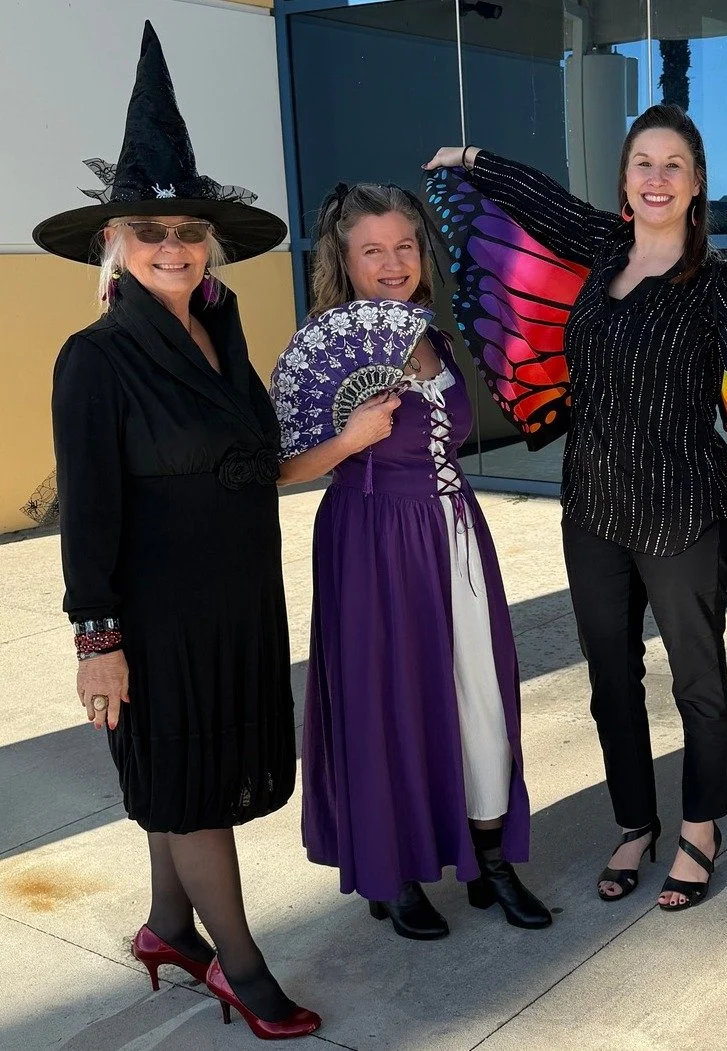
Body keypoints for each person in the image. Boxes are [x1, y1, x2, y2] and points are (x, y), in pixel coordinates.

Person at [425, 105, 727, 911]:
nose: (656, 178)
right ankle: (634, 822)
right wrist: (475, 157)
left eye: (672, 165)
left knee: (697, 678)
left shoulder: (718, 285)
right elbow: (543, 202)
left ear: (696, 185)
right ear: (625, 180)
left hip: (682, 506)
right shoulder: (602, 247)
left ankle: (699, 825)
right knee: (610, 679)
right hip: (592, 504)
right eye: (642, 163)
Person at [36, 22, 319, 1040]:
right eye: (149, 231)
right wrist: (97, 640)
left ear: (209, 241)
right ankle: (242, 968)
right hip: (154, 618)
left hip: (235, 603)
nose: (172, 246)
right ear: (116, 242)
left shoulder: (223, 333)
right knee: (189, 786)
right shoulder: (95, 358)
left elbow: (256, 463)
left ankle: (167, 926)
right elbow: (88, 512)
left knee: (180, 777)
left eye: (188, 230)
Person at [272, 184, 551, 936]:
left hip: (454, 531)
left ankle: (490, 858)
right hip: (370, 536)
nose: (393, 263)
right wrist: (349, 440)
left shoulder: (436, 338)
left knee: (478, 692)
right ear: (344, 261)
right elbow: (281, 469)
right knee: (385, 697)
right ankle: (389, 867)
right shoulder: (326, 343)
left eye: (404, 245)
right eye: (373, 250)